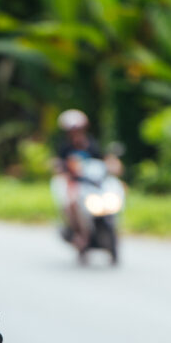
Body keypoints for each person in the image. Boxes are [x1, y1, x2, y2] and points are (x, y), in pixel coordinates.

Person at [51, 109, 122, 256]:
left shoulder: (91, 143)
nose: (76, 132)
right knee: (70, 202)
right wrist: (62, 170)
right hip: (74, 182)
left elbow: (102, 160)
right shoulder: (64, 147)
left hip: (93, 183)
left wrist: (112, 164)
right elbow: (58, 164)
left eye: (78, 129)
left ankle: (112, 228)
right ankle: (79, 233)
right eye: (73, 130)